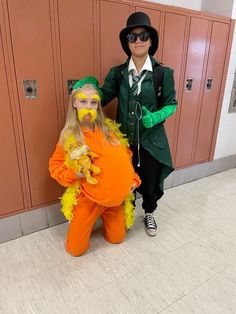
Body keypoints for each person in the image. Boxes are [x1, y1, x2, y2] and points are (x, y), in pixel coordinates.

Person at [101, 12, 177, 236]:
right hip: (124, 142)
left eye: (143, 35)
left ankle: (150, 212)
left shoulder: (164, 73)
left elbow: (171, 104)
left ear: (151, 40)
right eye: (132, 37)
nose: (138, 40)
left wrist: (155, 117)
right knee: (126, 180)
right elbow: (103, 97)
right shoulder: (118, 74)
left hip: (152, 141)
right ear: (127, 43)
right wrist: (87, 94)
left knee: (151, 180)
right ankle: (127, 213)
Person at [49, 76, 140, 256]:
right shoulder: (69, 136)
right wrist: (75, 173)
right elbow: (55, 166)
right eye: (83, 101)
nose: (89, 106)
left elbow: (126, 156)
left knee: (117, 239)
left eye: (93, 102)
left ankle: (109, 216)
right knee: (75, 250)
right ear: (74, 102)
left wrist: (133, 179)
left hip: (115, 201)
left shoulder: (109, 130)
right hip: (89, 200)